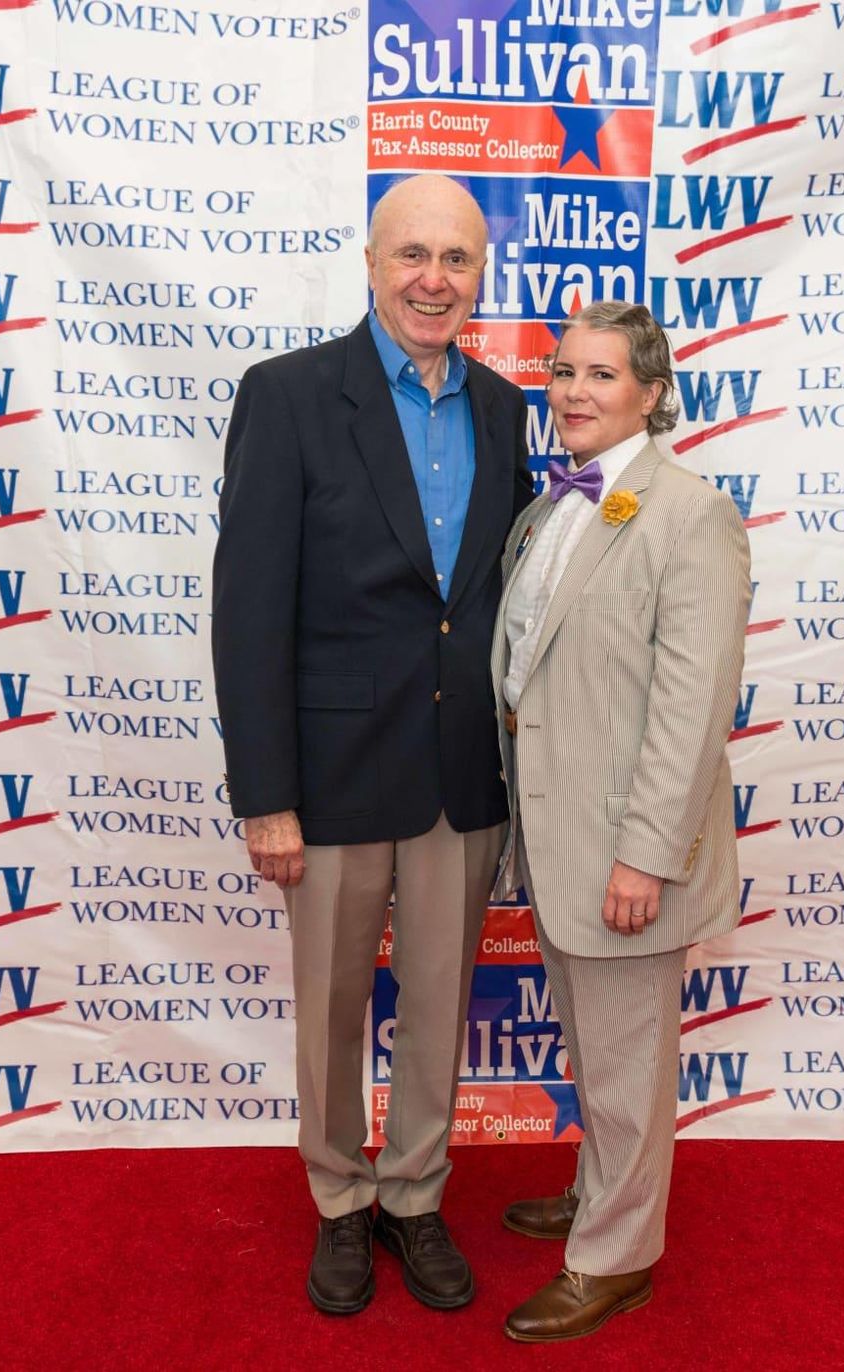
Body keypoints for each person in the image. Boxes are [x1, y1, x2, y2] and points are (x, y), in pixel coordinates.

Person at [211, 173, 534, 1316]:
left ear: (480, 276)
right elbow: (249, 609)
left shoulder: (502, 409)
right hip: (332, 775)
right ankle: (341, 1199)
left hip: (458, 777)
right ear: (370, 261)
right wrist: (266, 796)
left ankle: (413, 1194)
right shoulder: (289, 394)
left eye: (456, 259)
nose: (432, 280)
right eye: (412, 255)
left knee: (440, 1005)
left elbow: (499, 600)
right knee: (331, 1006)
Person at [490, 301, 751, 1343]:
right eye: (563, 372)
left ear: (652, 392)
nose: (574, 392)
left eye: (601, 375)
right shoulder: (552, 506)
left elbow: (693, 706)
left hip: (623, 850)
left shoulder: (691, 514)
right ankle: (603, 1191)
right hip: (559, 838)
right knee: (600, 1051)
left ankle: (616, 1257)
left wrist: (646, 854)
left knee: (630, 1062)